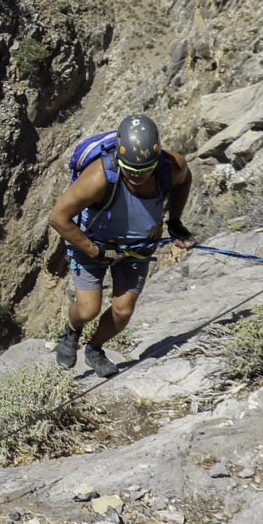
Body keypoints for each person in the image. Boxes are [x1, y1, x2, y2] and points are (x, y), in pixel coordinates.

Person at [46, 114, 195, 377]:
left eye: (143, 170)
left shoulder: (171, 166)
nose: (136, 175)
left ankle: (94, 349)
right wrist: (94, 250)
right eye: (130, 169)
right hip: (93, 242)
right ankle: (72, 331)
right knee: (88, 309)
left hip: (138, 247)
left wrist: (175, 221)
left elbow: (185, 180)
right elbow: (58, 217)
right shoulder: (100, 177)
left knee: (123, 311)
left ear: (156, 161)